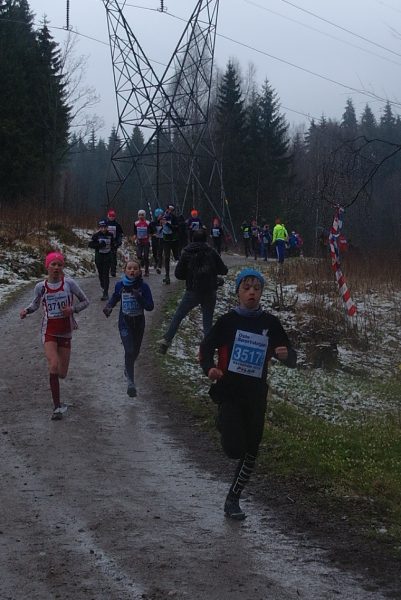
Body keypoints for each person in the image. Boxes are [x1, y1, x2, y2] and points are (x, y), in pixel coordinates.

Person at [199, 268, 297, 520]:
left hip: (255, 395)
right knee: (234, 449)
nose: (252, 292)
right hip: (230, 392)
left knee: (252, 448)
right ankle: (222, 420)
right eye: (246, 287)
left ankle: (233, 498)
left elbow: (289, 355)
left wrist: (287, 357)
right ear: (238, 293)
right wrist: (209, 367)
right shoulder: (228, 321)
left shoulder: (270, 323)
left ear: (262, 292)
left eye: (257, 288)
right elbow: (206, 346)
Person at [19, 252, 89, 420]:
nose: (56, 268)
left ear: (62, 267)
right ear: (47, 266)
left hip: (65, 331)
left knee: (62, 373)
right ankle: (57, 407)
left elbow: (85, 301)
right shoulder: (40, 286)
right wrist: (26, 311)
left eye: (59, 264)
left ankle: (56, 385)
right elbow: (35, 304)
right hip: (48, 331)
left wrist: (72, 310)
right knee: (53, 365)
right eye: (53, 264)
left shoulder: (69, 284)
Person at [158, 229, 228, 354]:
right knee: (207, 321)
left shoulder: (186, 252)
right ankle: (208, 350)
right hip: (210, 291)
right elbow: (223, 270)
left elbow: (178, 274)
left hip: (192, 291)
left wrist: (191, 275)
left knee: (179, 315)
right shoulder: (211, 251)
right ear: (206, 239)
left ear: (192, 239)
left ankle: (166, 340)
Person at [103, 258, 154, 398]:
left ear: (139, 272)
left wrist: (139, 298)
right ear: (124, 271)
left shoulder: (144, 287)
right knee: (129, 350)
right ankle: (131, 383)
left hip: (138, 323)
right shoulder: (120, 285)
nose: (132, 270)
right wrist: (109, 307)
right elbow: (114, 297)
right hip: (125, 323)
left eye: (135, 268)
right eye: (129, 268)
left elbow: (150, 307)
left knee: (135, 351)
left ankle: (128, 367)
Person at [89, 219, 116, 300]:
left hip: (107, 256)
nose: (103, 229)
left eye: (105, 227)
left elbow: (113, 244)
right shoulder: (96, 235)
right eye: (101, 227)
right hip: (99, 257)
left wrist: (116, 244)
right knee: (101, 274)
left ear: (107, 227)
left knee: (106, 274)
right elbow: (90, 244)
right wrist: (99, 245)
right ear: (99, 228)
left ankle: (105, 293)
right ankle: (102, 284)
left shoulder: (110, 235)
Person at [161, 204, 180, 285]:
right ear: (167, 209)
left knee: (176, 257)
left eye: (172, 210)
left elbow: (176, 228)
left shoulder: (175, 218)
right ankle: (167, 276)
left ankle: (183, 270)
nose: (170, 211)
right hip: (166, 240)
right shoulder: (163, 216)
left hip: (174, 240)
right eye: (169, 209)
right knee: (167, 257)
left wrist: (167, 224)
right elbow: (156, 225)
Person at [133, 209, 154, 277]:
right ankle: (139, 269)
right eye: (139, 215)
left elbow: (152, 230)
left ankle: (146, 271)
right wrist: (135, 236)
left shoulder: (148, 223)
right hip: (139, 242)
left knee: (146, 256)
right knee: (139, 256)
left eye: (142, 215)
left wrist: (151, 234)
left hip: (146, 242)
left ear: (144, 216)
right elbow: (135, 231)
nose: (141, 216)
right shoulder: (136, 223)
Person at [106, 208, 124, 277]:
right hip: (106, 243)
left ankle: (113, 271)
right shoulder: (105, 224)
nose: (111, 217)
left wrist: (119, 242)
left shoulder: (117, 225)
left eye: (113, 216)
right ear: (108, 216)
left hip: (114, 243)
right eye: (110, 216)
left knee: (113, 257)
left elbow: (120, 234)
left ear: (115, 217)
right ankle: (106, 270)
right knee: (106, 257)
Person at [150, 207, 164, 274]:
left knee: (160, 252)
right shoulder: (153, 223)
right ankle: (156, 261)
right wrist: (153, 233)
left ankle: (159, 266)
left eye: (161, 215)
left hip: (162, 239)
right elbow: (150, 231)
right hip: (154, 239)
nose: (160, 216)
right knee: (155, 252)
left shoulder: (164, 222)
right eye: (159, 215)